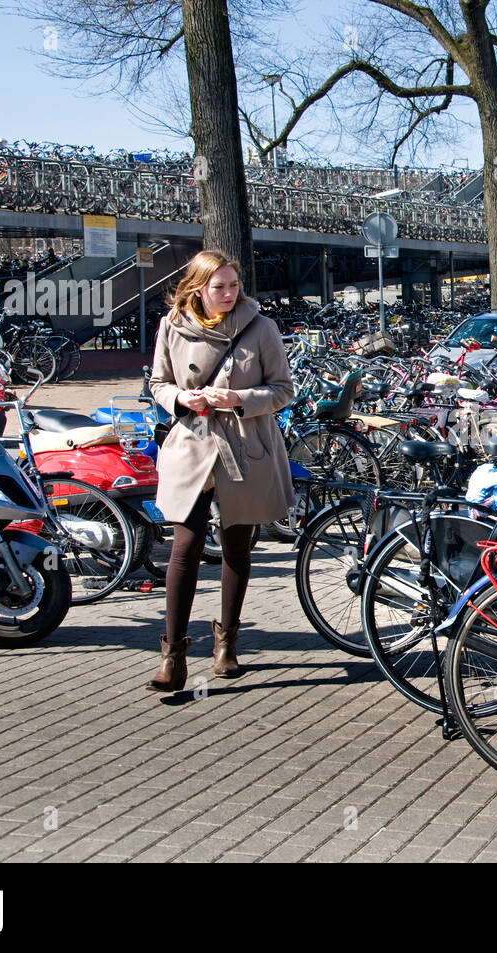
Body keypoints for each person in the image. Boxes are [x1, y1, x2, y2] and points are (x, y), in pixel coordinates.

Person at [145, 250, 296, 693]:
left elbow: (283, 390)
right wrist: (179, 398)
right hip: (192, 445)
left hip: (244, 448)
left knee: (236, 546)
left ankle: (226, 643)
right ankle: (173, 655)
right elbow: (157, 382)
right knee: (184, 546)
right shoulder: (172, 325)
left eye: (233, 286)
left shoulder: (260, 327)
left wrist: (241, 399)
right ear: (198, 289)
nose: (229, 294)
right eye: (219, 287)